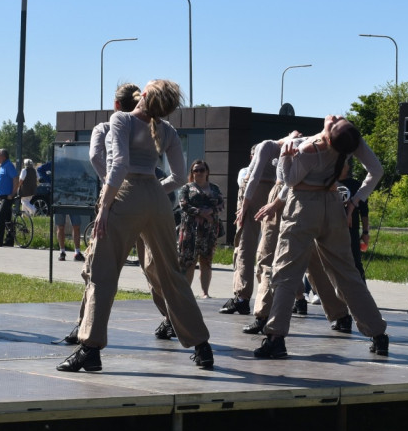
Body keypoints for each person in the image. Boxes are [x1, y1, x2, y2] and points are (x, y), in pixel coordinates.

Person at [57, 79, 214, 373]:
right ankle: (202, 347)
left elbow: (118, 165)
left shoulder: (122, 119)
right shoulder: (167, 130)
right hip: (157, 198)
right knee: (172, 274)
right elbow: (180, 177)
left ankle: (90, 349)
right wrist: (155, 189)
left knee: (102, 273)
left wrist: (105, 206)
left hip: (125, 193)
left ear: (147, 95)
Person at [253, 115, 388, 359]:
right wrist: (355, 202)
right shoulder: (351, 143)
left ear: (328, 133)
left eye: (335, 120)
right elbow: (376, 171)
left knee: (285, 273)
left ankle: (275, 338)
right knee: (347, 274)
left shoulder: (309, 148)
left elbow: (289, 179)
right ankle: (378, 335)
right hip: (333, 206)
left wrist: (285, 152)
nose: (335, 116)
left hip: (303, 207)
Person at [219, 144, 268, 316]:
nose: (257, 158)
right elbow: (247, 179)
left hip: (255, 212)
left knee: (261, 254)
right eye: (254, 155)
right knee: (245, 251)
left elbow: (250, 183)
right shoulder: (244, 172)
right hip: (252, 214)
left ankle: (244, 298)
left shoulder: (262, 172)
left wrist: (244, 207)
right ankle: (243, 297)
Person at [178, 159, 224, 298]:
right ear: (192, 173)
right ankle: (186, 292)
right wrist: (200, 213)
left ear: (207, 171)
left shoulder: (214, 188)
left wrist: (210, 211)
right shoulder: (186, 188)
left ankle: (205, 292)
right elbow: (183, 204)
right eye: (195, 170)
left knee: (206, 260)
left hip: (209, 229)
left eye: (201, 170)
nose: (198, 172)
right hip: (191, 230)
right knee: (189, 261)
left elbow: (221, 204)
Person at [337, 158, 370, 281]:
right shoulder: (328, 184)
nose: (341, 167)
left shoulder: (356, 185)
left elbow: (364, 211)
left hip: (352, 230)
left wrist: (366, 232)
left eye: (343, 164)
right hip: (332, 229)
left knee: (356, 263)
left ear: (347, 167)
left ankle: (363, 292)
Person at [0, 148, 19, 247]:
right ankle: (10, 240)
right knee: (7, 219)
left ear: (3, 156)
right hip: (2, 196)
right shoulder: (3, 166)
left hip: (7, 197)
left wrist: (13, 193)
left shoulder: (8, 166)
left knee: (0, 216)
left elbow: (15, 179)